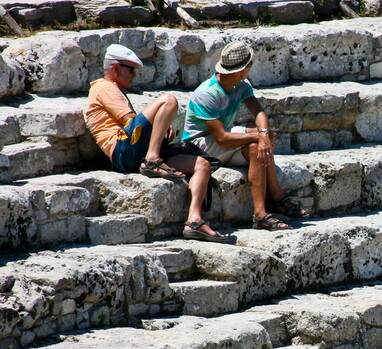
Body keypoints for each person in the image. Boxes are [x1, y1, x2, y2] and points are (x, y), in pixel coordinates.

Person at [84, 44, 231, 243]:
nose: (134, 75)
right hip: (122, 152)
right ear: (116, 68)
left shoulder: (112, 89)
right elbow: (130, 122)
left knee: (202, 165)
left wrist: (160, 126)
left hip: (134, 150)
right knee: (168, 100)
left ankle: (194, 221)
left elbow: (137, 127)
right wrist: (160, 123)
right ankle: (152, 160)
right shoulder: (104, 87)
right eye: (131, 69)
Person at [181, 40, 308, 231]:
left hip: (220, 146)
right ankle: (277, 197)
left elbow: (259, 112)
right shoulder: (207, 94)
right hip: (199, 146)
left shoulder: (241, 85)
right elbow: (222, 138)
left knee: (259, 145)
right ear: (243, 69)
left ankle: (260, 213)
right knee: (259, 139)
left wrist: (263, 134)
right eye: (250, 65)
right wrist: (259, 136)